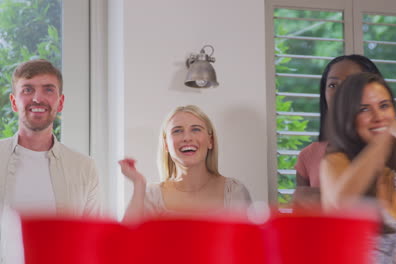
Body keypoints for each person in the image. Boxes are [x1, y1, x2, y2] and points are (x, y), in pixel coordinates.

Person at [294, 54, 396, 250]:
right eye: (333, 85)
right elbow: (303, 227)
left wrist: (375, 243)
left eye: (352, 84)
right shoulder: (309, 156)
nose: (341, 92)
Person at [0, 59, 101, 263]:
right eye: (27, 90)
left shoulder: (84, 167)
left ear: (60, 102)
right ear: (13, 102)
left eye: (48, 90)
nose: (37, 98)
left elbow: (93, 242)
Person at [119, 105, 251, 223]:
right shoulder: (151, 195)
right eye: (177, 131)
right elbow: (125, 243)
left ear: (211, 141)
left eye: (196, 129)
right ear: (166, 144)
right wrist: (139, 184)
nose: (187, 137)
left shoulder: (234, 191)